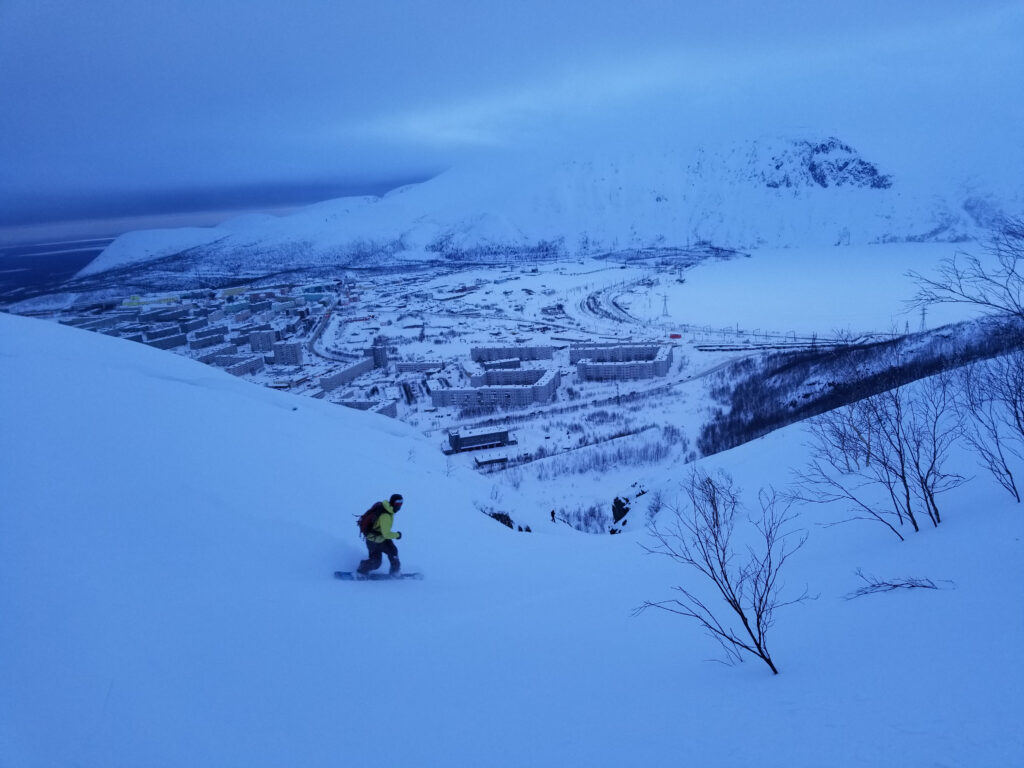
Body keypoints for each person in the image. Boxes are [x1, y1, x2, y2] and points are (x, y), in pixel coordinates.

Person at [356, 493, 404, 577]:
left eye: (401, 503)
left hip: (380, 538)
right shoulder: (386, 515)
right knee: (376, 563)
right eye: (397, 503)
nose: (399, 506)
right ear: (392, 502)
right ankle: (361, 571)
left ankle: (395, 572)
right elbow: (386, 534)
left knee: (393, 551)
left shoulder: (387, 509)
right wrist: (397, 535)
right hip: (374, 541)